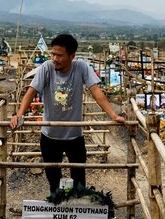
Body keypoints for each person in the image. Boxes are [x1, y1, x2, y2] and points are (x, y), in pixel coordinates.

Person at [10, 34, 126, 193]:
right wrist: (19, 114)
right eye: (53, 54)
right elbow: (31, 91)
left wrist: (113, 115)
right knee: (53, 180)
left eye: (59, 55)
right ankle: (57, 212)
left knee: (79, 180)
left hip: (74, 135)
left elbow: (96, 92)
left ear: (72, 56)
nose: (54, 58)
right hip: (50, 135)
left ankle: (76, 212)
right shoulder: (47, 67)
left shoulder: (81, 67)